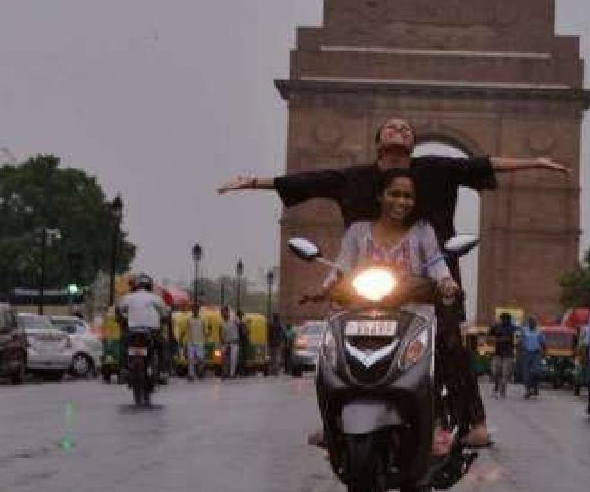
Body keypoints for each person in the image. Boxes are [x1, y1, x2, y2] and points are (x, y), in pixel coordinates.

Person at [219, 117, 571, 446]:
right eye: (391, 127)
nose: (399, 130)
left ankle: (470, 421)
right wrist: (253, 183)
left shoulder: (434, 170)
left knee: (448, 341)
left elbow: (481, 164)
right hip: (369, 280)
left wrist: (535, 162)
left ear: (413, 144)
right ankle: (334, 420)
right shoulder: (354, 180)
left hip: (431, 277)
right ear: (378, 142)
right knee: (335, 344)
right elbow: (308, 182)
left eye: (405, 129)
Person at [308, 169, 458, 451]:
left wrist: (447, 281)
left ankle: (436, 422)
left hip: (413, 314)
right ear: (381, 196)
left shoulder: (422, 230)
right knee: (327, 362)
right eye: (394, 194)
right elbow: (342, 265)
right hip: (361, 312)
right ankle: (330, 423)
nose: (401, 201)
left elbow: (436, 261)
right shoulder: (357, 231)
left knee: (438, 359)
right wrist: (326, 286)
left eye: (407, 196)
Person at [117, 273, 170, 405]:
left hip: (132, 332)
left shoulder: (128, 298)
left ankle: (123, 368)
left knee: (123, 344)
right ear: (149, 286)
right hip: (151, 332)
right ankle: (163, 371)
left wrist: (122, 319)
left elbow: (119, 310)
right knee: (163, 346)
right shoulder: (156, 298)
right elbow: (165, 313)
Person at [489, 312, 518, 399]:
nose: (505, 320)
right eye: (503, 318)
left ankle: (502, 390)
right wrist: (497, 340)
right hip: (498, 353)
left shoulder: (513, 328)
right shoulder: (496, 327)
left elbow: (517, 339)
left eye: (507, 318)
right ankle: (496, 388)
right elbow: (489, 336)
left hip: (508, 354)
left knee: (505, 374)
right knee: (496, 373)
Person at [520, 316, 547, 399]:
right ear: (529, 323)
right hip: (527, 353)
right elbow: (521, 341)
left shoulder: (539, 332)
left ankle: (535, 386)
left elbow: (543, 343)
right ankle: (528, 390)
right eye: (531, 322)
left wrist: (544, 352)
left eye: (534, 322)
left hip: (536, 353)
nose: (532, 323)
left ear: (536, 323)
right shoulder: (524, 331)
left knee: (536, 371)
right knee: (526, 373)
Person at [186, 303, 207, 381]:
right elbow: (188, 330)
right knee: (191, 359)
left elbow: (205, 331)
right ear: (192, 310)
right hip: (191, 342)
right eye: (193, 309)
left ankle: (200, 372)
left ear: (198, 310)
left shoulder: (202, 319)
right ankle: (191, 375)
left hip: (200, 342)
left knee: (201, 359)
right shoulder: (189, 319)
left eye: (196, 309)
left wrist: (205, 340)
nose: (194, 311)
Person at [221, 306, 241, 379]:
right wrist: (222, 342)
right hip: (226, 342)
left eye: (223, 312)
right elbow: (222, 333)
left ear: (227, 312)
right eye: (221, 313)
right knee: (223, 357)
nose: (222, 314)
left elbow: (240, 325)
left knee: (233, 359)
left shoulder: (234, 319)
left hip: (234, 342)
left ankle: (232, 374)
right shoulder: (223, 322)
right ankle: (225, 372)